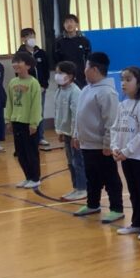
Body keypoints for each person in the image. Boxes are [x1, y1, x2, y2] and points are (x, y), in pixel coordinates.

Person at [71, 52, 124, 224]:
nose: (84, 70)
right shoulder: (86, 89)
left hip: (101, 146)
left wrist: (108, 143)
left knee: (110, 178)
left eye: (86, 67)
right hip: (87, 144)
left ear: (94, 69)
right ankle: (93, 204)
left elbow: (112, 120)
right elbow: (79, 115)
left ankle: (116, 208)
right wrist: (76, 135)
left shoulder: (107, 92)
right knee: (92, 177)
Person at [111, 66, 140, 240]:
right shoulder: (122, 104)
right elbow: (115, 128)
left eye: (128, 79)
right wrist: (115, 147)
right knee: (133, 190)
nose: (123, 83)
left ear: (139, 83)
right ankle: (137, 222)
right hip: (125, 155)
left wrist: (127, 150)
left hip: (139, 155)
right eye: (122, 79)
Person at [5, 50, 42, 189]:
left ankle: (35, 178)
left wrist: (33, 123)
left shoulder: (33, 83)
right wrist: (8, 119)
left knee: (31, 152)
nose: (15, 64)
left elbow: (36, 105)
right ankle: (28, 177)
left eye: (19, 62)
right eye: (14, 62)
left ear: (28, 65)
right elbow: (9, 102)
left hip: (29, 123)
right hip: (17, 122)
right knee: (20, 153)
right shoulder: (12, 82)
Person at [53, 61, 86, 202]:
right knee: (70, 162)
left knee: (77, 161)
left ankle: (82, 188)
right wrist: (60, 131)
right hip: (66, 133)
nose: (57, 76)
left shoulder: (75, 92)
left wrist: (74, 135)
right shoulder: (60, 91)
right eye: (57, 72)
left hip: (75, 134)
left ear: (70, 75)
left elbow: (76, 116)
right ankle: (76, 187)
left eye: (61, 73)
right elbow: (59, 112)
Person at [18, 28, 51, 150]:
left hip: (41, 88)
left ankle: (40, 137)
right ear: (23, 39)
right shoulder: (20, 54)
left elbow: (46, 70)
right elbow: (19, 72)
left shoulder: (41, 53)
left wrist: (44, 85)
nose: (31, 38)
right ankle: (29, 137)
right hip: (27, 89)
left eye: (32, 36)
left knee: (39, 112)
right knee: (28, 112)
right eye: (28, 36)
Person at [53, 14, 91, 86]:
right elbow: (56, 60)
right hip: (64, 76)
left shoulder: (84, 41)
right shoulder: (58, 41)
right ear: (63, 25)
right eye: (66, 22)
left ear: (76, 24)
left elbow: (88, 58)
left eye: (71, 21)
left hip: (81, 76)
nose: (69, 24)